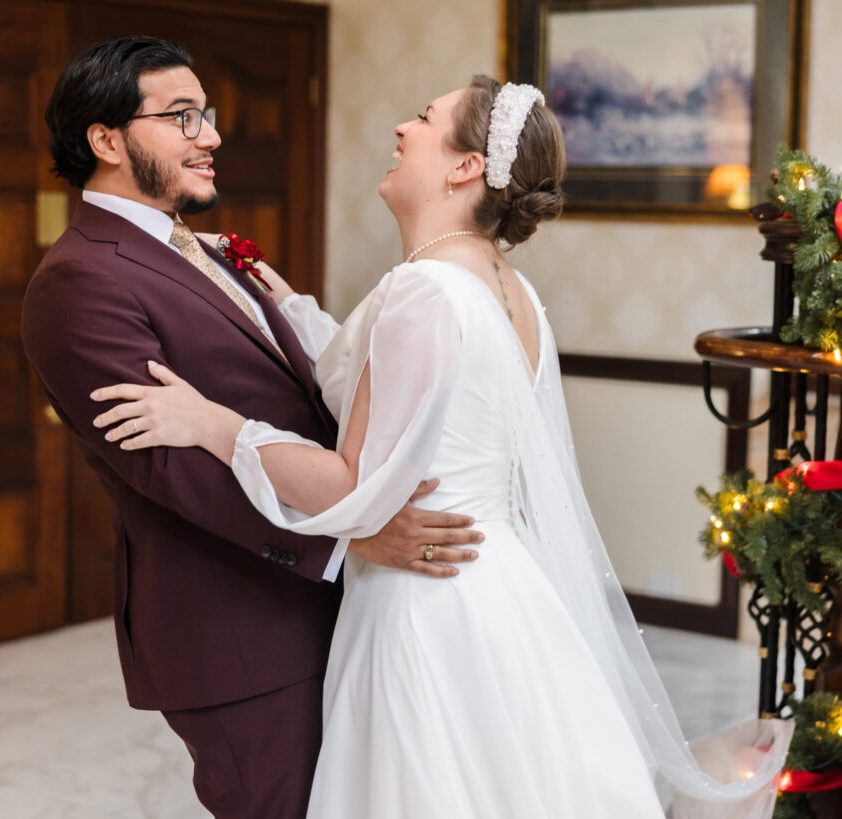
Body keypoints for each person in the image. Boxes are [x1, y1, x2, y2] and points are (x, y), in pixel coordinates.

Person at [91, 76, 794, 817]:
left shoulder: (425, 289)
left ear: (464, 167)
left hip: (425, 603)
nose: (402, 127)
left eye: (425, 119)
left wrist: (213, 424)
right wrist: (283, 302)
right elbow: (388, 392)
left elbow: (351, 481)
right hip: (501, 587)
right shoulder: (508, 291)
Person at [21, 36, 482, 819]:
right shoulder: (77, 281)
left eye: (208, 113)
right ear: (105, 140)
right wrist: (349, 537)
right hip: (237, 631)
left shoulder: (202, 249)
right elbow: (171, 469)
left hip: (324, 606)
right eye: (183, 117)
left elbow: (304, 389)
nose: (212, 136)